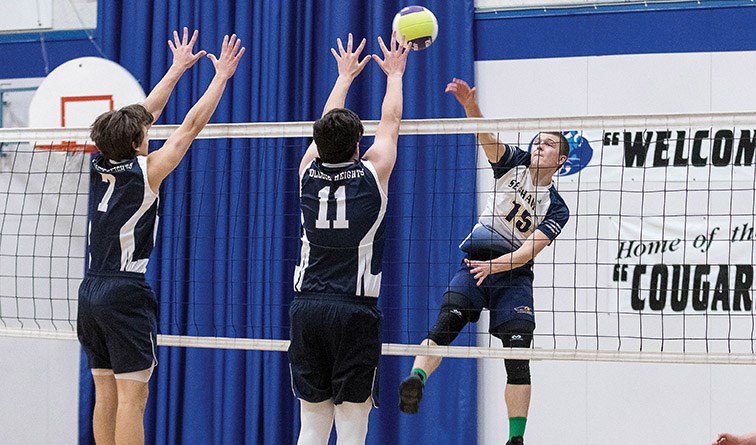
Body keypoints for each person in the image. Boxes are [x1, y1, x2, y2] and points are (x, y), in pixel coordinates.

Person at [77, 29, 244, 445]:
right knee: (135, 398)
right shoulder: (146, 172)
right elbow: (189, 127)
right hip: (124, 293)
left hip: (90, 290)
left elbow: (139, 117)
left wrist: (176, 69)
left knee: (106, 395)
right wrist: (220, 76)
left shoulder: (100, 164)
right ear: (137, 143)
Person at [398, 78, 570, 445]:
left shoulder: (557, 207)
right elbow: (486, 138)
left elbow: (527, 253)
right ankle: (416, 380)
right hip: (475, 263)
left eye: (550, 144)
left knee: (518, 356)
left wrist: (497, 267)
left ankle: (515, 438)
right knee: (444, 326)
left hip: (513, 276)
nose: (540, 147)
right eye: (537, 141)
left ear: (562, 160)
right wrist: (469, 106)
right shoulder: (514, 164)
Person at [288, 32, 409, 445]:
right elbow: (390, 122)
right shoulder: (374, 173)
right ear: (360, 144)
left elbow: (326, 128)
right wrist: (395, 74)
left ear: (317, 143)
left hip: (306, 309)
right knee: (353, 427)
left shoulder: (306, 170)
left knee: (312, 424)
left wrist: (342, 78)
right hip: (353, 312)